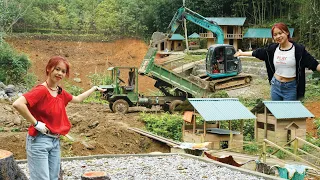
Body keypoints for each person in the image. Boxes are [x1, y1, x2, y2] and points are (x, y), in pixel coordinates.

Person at [12, 56, 105, 180]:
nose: (60, 73)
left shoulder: (59, 92)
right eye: (57, 69)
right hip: (39, 141)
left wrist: (93, 89)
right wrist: (36, 123)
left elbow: (77, 99)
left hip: (55, 141)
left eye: (63, 71)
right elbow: (18, 104)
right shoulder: (41, 90)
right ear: (49, 69)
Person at [234, 22, 320, 100]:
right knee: (276, 112)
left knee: (288, 115)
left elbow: (314, 64)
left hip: (291, 88)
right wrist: (242, 53)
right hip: (275, 85)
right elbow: (258, 52)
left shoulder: (298, 50)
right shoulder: (272, 49)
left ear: (287, 32)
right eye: (275, 35)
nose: (278, 36)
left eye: (280, 33)